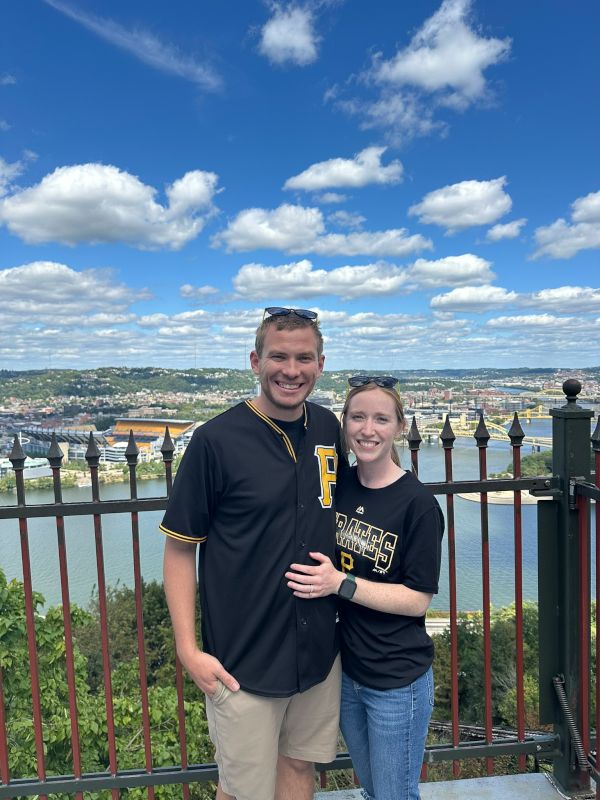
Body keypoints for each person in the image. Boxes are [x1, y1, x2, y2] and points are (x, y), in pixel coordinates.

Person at [160, 307, 344, 800]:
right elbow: (179, 550)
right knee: (241, 792)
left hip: (318, 655)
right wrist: (187, 649)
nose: (291, 370)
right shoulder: (215, 441)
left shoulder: (329, 428)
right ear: (254, 360)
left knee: (300, 769)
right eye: (278, 356)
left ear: (321, 364)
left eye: (303, 357)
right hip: (242, 661)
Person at [286, 375, 444, 800]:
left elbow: (417, 600)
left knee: (394, 794)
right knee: (374, 789)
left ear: (398, 426)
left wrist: (341, 583)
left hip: (397, 679)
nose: (367, 429)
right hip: (346, 672)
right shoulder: (338, 487)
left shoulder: (418, 505)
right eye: (357, 417)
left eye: (380, 419)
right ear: (344, 423)